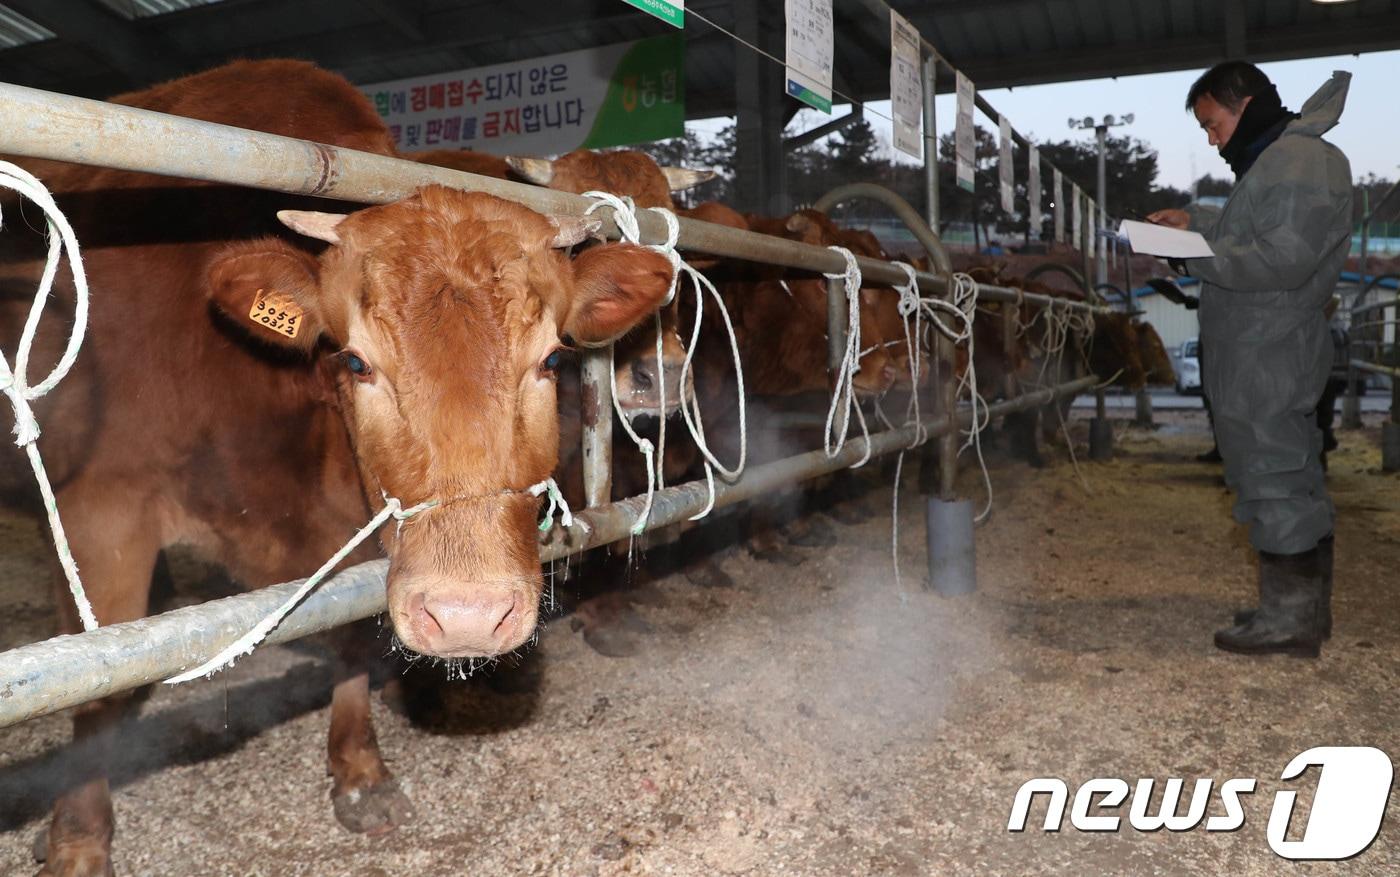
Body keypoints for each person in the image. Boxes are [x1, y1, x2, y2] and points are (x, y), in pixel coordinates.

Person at [1148, 62, 1353, 657]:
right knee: (1284, 469)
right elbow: (1263, 229)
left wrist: (1190, 254)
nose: (1212, 140)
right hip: (1265, 344)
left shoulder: (1300, 160)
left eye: (1213, 124)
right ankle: (1298, 610)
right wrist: (1199, 221)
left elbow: (1282, 257)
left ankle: (1289, 620)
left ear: (1244, 103)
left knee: (1273, 475)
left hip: (1270, 346)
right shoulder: (1280, 159)